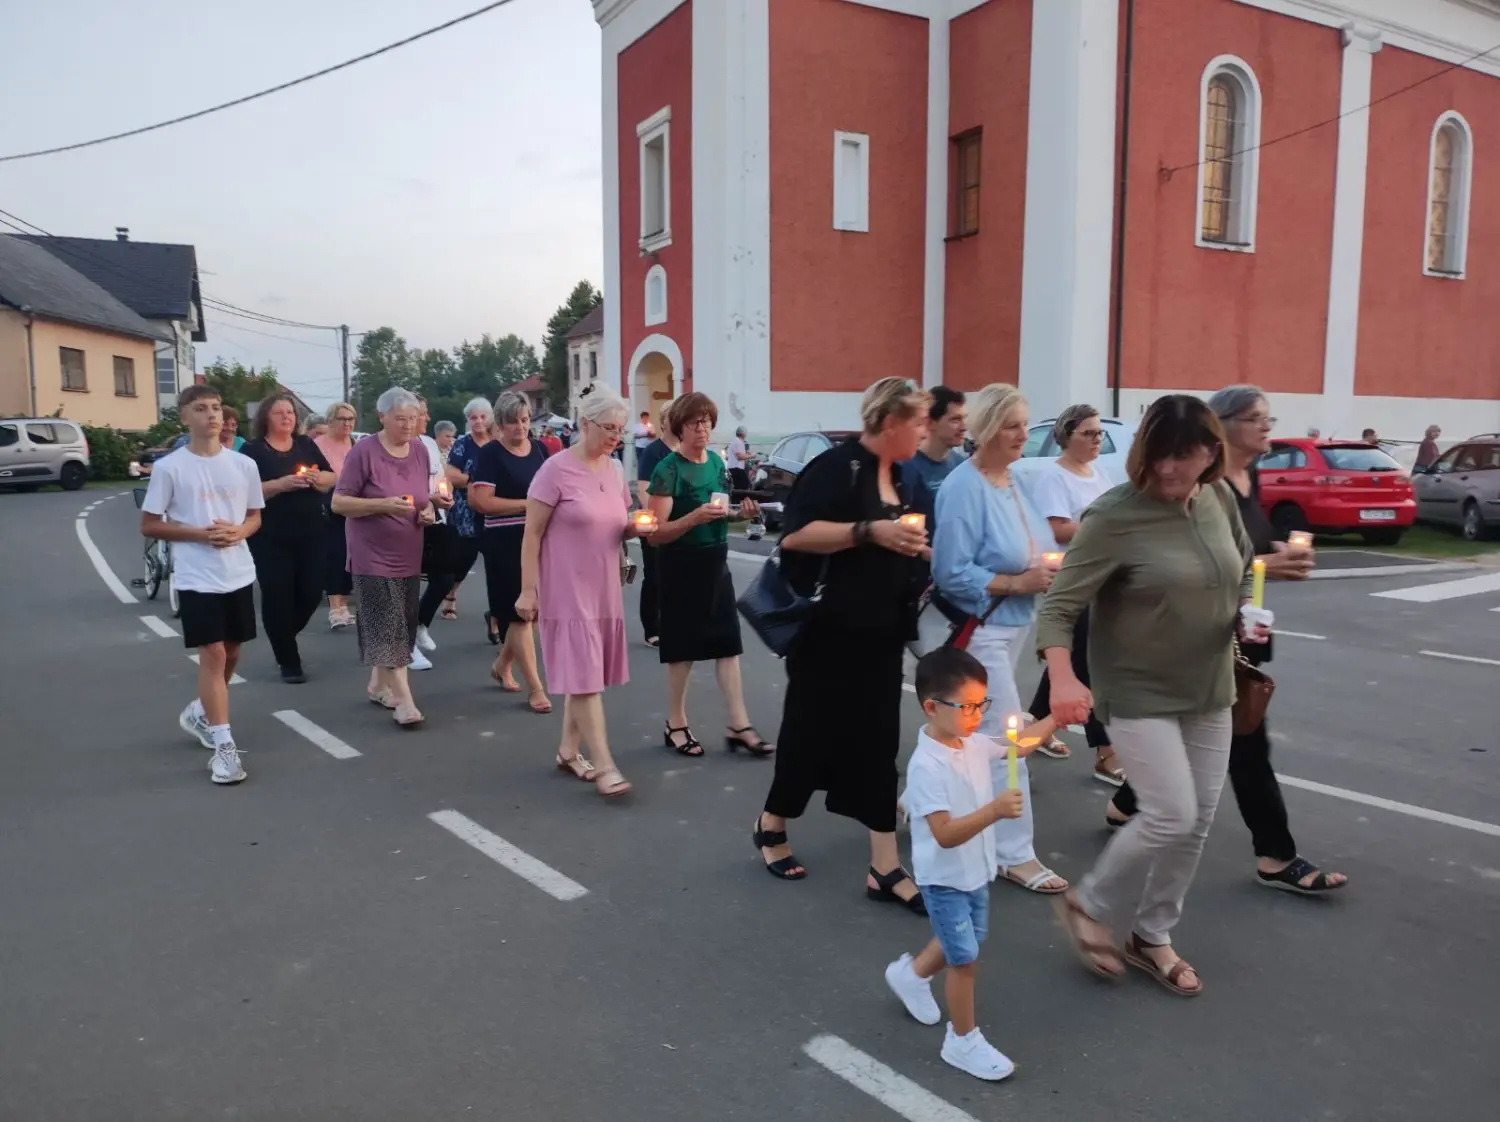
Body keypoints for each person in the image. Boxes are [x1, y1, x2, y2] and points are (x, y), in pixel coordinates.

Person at [1041, 394, 1269, 996]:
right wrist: (1063, 678)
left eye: (1184, 455)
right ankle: (1088, 904)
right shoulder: (1114, 515)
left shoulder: (1218, 499)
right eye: (1158, 455)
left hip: (1210, 684)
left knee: (1197, 823)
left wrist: (1246, 609)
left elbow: (1242, 566)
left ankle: (1152, 934)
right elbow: (1061, 605)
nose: (1169, 469)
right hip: (1136, 688)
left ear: (1210, 453)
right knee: (1171, 813)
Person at [1107, 387, 1346, 894]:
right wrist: (1265, 565)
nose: (1267, 427)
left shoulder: (1245, 477)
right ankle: (1275, 854)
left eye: (1268, 417)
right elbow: (1198, 559)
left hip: (1243, 629)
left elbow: (1239, 550)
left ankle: (1127, 801)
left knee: (1198, 730)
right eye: (1256, 418)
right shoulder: (1205, 485)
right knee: (1248, 742)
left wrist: (1274, 555)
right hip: (1199, 635)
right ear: (1222, 426)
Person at [753, 377, 932, 911]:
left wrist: (915, 550)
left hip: (882, 632)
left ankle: (884, 865)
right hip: (827, 633)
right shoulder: (837, 467)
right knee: (810, 736)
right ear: (889, 421)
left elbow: (911, 541)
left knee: (879, 744)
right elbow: (794, 535)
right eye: (917, 420)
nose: (922, 430)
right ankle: (772, 822)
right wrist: (867, 532)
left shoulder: (906, 477)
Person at [884, 648, 1053, 1081]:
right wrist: (994, 811)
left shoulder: (971, 742)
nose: (978, 715)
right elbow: (943, 833)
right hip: (945, 880)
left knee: (967, 941)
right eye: (969, 706)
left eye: (983, 704)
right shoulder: (926, 767)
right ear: (931, 706)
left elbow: (1016, 747)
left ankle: (911, 974)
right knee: (964, 959)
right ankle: (962, 1041)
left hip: (976, 872)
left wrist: (1058, 720)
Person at [931, 384, 1065, 895]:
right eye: (1011, 425)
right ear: (986, 427)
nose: (1023, 435)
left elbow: (1039, 545)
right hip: (979, 628)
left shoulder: (1015, 481)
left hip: (1015, 624)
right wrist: (1015, 583)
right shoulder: (963, 487)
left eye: (1025, 425)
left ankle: (929, 801)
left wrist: (1048, 571)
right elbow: (950, 571)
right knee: (1012, 741)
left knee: (978, 734)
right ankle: (1015, 853)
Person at [518, 382, 653, 796]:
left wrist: (638, 526)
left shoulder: (614, 471)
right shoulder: (554, 470)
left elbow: (617, 523)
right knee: (585, 680)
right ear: (584, 423)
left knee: (587, 674)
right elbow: (532, 534)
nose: (616, 437)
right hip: (565, 587)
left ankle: (567, 750)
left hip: (603, 585)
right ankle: (607, 765)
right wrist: (528, 590)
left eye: (621, 430)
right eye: (609, 428)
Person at [141, 384, 264, 785]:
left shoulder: (243, 465)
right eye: (200, 409)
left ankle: (201, 711)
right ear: (184, 417)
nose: (211, 415)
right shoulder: (170, 467)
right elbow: (150, 524)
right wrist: (199, 534)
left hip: (238, 572)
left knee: (231, 652)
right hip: (196, 575)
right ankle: (225, 750)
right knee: (211, 653)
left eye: (215, 408)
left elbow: (253, 517)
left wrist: (239, 532)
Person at [645, 392, 770, 757]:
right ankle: (676, 723)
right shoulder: (668, 469)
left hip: (715, 562)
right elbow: (656, 534)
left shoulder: (716, 463)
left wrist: (740, 515)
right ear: (678, 428)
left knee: (728, 645)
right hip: (681, 564)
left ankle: (738, 724)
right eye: (693, 423)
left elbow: (720, 511)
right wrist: (693, 518)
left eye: (706, 422)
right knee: (682, 651)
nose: (701, 429)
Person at [1025, 403, 1124, 784]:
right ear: (1067, 435)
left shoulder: (1097, 473)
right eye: (1090, 433)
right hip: (1071, 578)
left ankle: (1037, 726)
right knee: (1088, 664)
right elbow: (1059, 529)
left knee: (1072, 661)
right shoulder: (1055, 477)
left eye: (1101, 433)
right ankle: (1106, 751)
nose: (1098, 439)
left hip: (1102, 579)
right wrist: (1102, 529)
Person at [331, 387, 440, 727]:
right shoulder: (364, 452)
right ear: (382, 418)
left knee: (403, 621)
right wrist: (382, 504)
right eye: (400, 419)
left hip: (408, 551)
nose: (408, 426)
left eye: (413, 419)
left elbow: (423, 498)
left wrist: (429, 511)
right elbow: (339, 502)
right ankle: (404, 701)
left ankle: (378, 685)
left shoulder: (420, 450)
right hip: (371, 553)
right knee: (387, 623)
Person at [241, 394, 337, 683]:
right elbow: (244, 490)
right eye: (279, 412)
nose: (287, 417)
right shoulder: (253, 450)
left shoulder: (306, 445)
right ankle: (288, 659)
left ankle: (282, 635)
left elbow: (331, 476)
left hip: (311, 530)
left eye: (291, 412)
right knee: (277, 593)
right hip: (270, 534)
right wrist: (281, 485)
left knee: (310, 592)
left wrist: (317, 479)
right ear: (265, 418)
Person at [469, 391, 552, 714]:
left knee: (535, 612)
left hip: (540, 537)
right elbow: (481, 501)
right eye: (513, 422)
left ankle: (502, 664)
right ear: (499, 424)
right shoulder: (490, 454)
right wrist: (527, 504)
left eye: (525, 420)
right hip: (504, 539)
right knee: (519, 612)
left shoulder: (541, 450)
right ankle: (536, 687)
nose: (520, 427)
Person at [410, 397, 455, 670]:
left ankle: (420, 623)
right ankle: (407, 645)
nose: (427, 419)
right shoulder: (395, 446)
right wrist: (428, 499)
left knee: (445, 577)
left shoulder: (427, 443)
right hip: (406, 520)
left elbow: (439, 476)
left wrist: (443, 494)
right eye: (423, 414)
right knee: (407, 583)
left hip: (436, 518)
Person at [441, 397, 494, 627]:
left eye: (482, 417)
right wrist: (474, 480)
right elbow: (451, 474)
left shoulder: (498, 441)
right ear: (467, 421)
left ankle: (497, 611)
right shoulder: (463, 444)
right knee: (465, 557)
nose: (478, 421)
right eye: (473, 418)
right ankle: (451, 594)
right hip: (467, 510)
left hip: (496, 507)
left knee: (496, 561)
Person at [634, 401, 678, 647]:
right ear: (664, 422)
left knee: (677, 575)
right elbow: (643, 491)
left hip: (680, 523)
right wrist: (659, 516)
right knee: (655, 576)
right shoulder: (654, 452)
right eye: (673, 417)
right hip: (654, 523)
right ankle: (652, 628)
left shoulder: (686, 450)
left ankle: (674, 622)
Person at [315, 402, 359, 628]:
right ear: (330, 420)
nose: (347, 423)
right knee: (334, 554)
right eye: (342, 418)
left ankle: (343, 604)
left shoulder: (355, 444)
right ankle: (335, 607)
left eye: (350, 419)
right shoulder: (318, 445)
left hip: (352, 505)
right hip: (327, 505)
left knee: (350, 555)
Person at [901, 386, 967, 527]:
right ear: (930, 423)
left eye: (964, 419)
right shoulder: (907, 467)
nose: (964, 427)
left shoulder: (962, 465)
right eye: (955, 420)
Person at [726, 425, 753, 491]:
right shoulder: (738, 442)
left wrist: (747, 454)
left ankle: (737, 500)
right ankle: (740, 500)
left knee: (738, 487)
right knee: (745, 486)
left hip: (734, 469)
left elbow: (740, 454)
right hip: (737, 469)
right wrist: (752, 455)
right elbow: (740, 457)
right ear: (743, 434)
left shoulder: (735, 442)